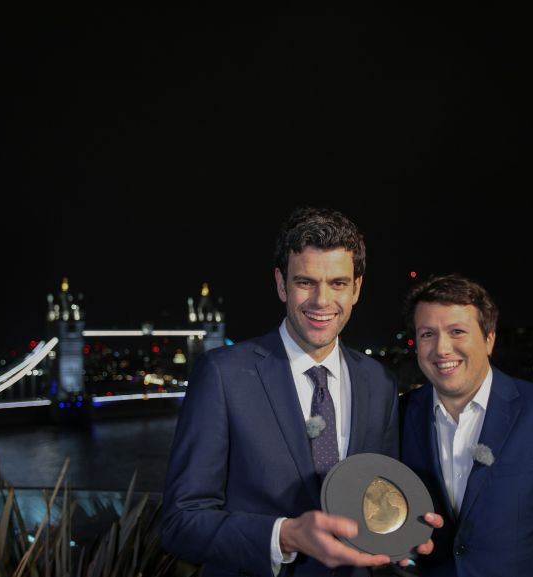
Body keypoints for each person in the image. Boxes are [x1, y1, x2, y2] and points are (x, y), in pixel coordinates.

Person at [161, 207, 441, 577]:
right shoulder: (222, 375)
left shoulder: (380, 382)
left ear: (357, 287)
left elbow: (377, 496)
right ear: (281, 284)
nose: (321, 301)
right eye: (305, 282)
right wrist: (286, 536)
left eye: (338, 283)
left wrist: (405, 540)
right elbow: (180, 523)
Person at [398, 273, 533, 577]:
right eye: (427, 334)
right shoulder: (402, 413)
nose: (442, 349)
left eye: (457, 331)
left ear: (489, 339)